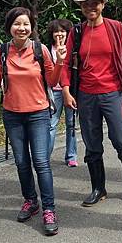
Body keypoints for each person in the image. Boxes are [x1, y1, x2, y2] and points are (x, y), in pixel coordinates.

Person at [0, 7, 65, 236]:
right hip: (12, 114)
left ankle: (49, 209)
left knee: (41, 161)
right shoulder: (1, 51)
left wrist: (60, 61)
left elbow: (52, 80)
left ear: (31, 27)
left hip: (38, 113)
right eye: (17, 24)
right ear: (9, 27)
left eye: (26, 24)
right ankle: (31, 200)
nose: (22, 28)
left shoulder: (40, 50)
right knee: (21, 162)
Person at [61, 0, 122, 206]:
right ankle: (99, 188)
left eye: (94, 3)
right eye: (85, 4)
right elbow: (67, 64)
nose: (90, 7)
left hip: (114, 92)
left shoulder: (115, 28)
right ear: (81, 8)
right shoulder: (76, 32)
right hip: (86, 95)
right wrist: (66, 90)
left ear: (103, 4)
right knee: (92, 143)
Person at [45, 19, 78, 167]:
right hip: (54, 93)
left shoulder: (73, 48)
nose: (59, 34)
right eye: (56, 31)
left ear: (68, 33)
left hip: (70, 91)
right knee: (51, 125)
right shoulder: (46, 50)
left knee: (71, 125)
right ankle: (45, 157)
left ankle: (71, 156)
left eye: (62, 31)